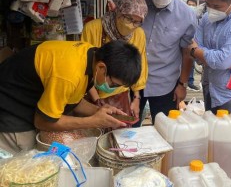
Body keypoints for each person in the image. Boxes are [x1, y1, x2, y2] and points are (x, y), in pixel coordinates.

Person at [0, 40, 141, 154]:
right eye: (114, 84)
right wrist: (93, 121)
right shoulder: (69, 74)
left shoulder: (91, 55)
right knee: (21, 161)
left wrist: (99, 111)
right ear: (101, 68)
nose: (113, 89)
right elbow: (42, 122)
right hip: (9, 104)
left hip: (29, 95)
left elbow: (73, 101)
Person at [139, 0, 197, 123]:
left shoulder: (186, 15)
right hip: (132, 82)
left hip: (166, 85)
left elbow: (187, 53)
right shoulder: (137, 5)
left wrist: (182, 84)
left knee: (166, 131)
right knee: (127, 131)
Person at [81, 0, 148, 119]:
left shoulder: (139, 34)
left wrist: (136, 98)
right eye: (128, 18)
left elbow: (139, 68)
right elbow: (84, 67)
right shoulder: (93, 28)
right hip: (91, 93)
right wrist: (97, 102)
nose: (131, 25)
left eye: (137, 22)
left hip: (120, 97)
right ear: (119, 11)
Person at [186, 0, 201, 92]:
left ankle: (190, 82)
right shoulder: (183, 15)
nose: (191, 6)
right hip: (185, 44)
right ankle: (183, 82)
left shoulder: (199, 17)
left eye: (193, 5)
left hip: (195, 45)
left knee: (191, 63)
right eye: (189, 4)